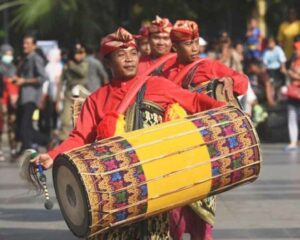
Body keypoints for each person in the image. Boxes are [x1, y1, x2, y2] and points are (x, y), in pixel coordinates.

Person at [32, 27, 225, 239]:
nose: (129, 60)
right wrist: (51, 156)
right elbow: (80, 137)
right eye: (121, 55)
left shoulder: (157, 85)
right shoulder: (97, 99)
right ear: (107, 62)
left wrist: (224, 109)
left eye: (133, 53)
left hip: (154, 187)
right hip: (117, 190)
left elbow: (194, 102)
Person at [160, 20, 248, 240]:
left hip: (202, 148)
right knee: (174, 216)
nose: (195, 47)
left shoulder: (208, 66)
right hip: (174, 149)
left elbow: (242, 81)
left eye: (196, 42)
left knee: (202, 221)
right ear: (175, 47)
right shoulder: (165, 72)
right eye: (188, 43)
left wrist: (228, 82)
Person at [15, 34, 49, 154]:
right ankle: (29, 146)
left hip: (32, 97)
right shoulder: (25, 58)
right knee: (24, 126)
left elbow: (43, 77)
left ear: (34, 45)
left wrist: (24, 81)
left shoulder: (36, 58)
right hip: (24, 96)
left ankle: (38, 144)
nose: (24, 46)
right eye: (24, 43)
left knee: (25, 125)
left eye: (27, 43)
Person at [58, 43, 89, 141]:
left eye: (81, 53)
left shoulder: (84, 64)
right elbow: (61, 81)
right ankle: (63, 141)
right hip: (68, 93)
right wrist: (58, 98)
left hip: (81, 93)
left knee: (80, 121)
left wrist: (71, 66)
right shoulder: (67, 65)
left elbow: (82, 72)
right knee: (65, 120)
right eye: (77, 53)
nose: (80, 55)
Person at [0, 44, 18, 160]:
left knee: (12, 124)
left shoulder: (14, 67)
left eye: (11, 53)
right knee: (1, 124)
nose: (9, 56)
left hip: (12, 99)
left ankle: (13, 149)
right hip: (2, 98)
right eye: (7, 53)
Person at [285, 41, 300, 151]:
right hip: (293, 93)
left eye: (297, 49)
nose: (295, 51)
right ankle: (293, 141)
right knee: (292, 117)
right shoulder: (293, 61)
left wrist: (294, 74)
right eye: (294, 49)